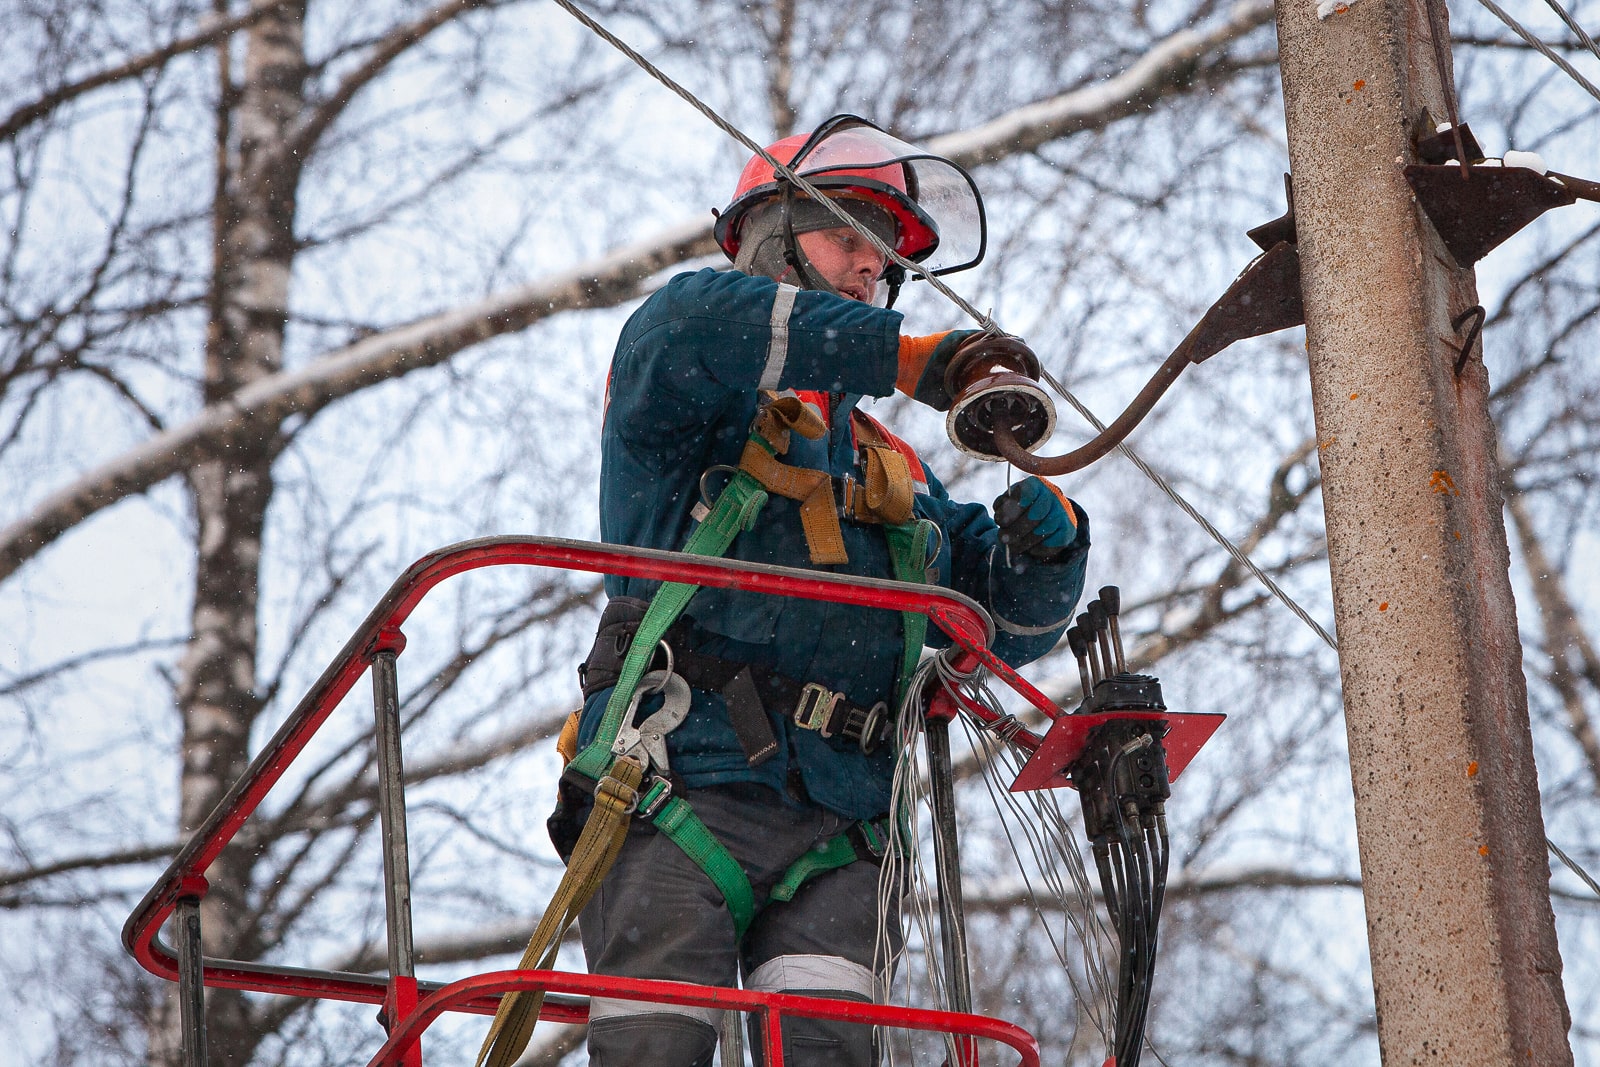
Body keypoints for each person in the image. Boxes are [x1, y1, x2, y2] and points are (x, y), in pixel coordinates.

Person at [553, 115, 1090, 1066]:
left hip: (842, 826)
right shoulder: (681, 385)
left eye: (885, 262)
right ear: (771, 236)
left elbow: (1004, 626)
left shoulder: (892, 476)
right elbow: (696, 322)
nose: (868, 269)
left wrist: (1052, 553)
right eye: (849, 235)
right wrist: (911, 357)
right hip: (680, 782)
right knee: (651, 1052)